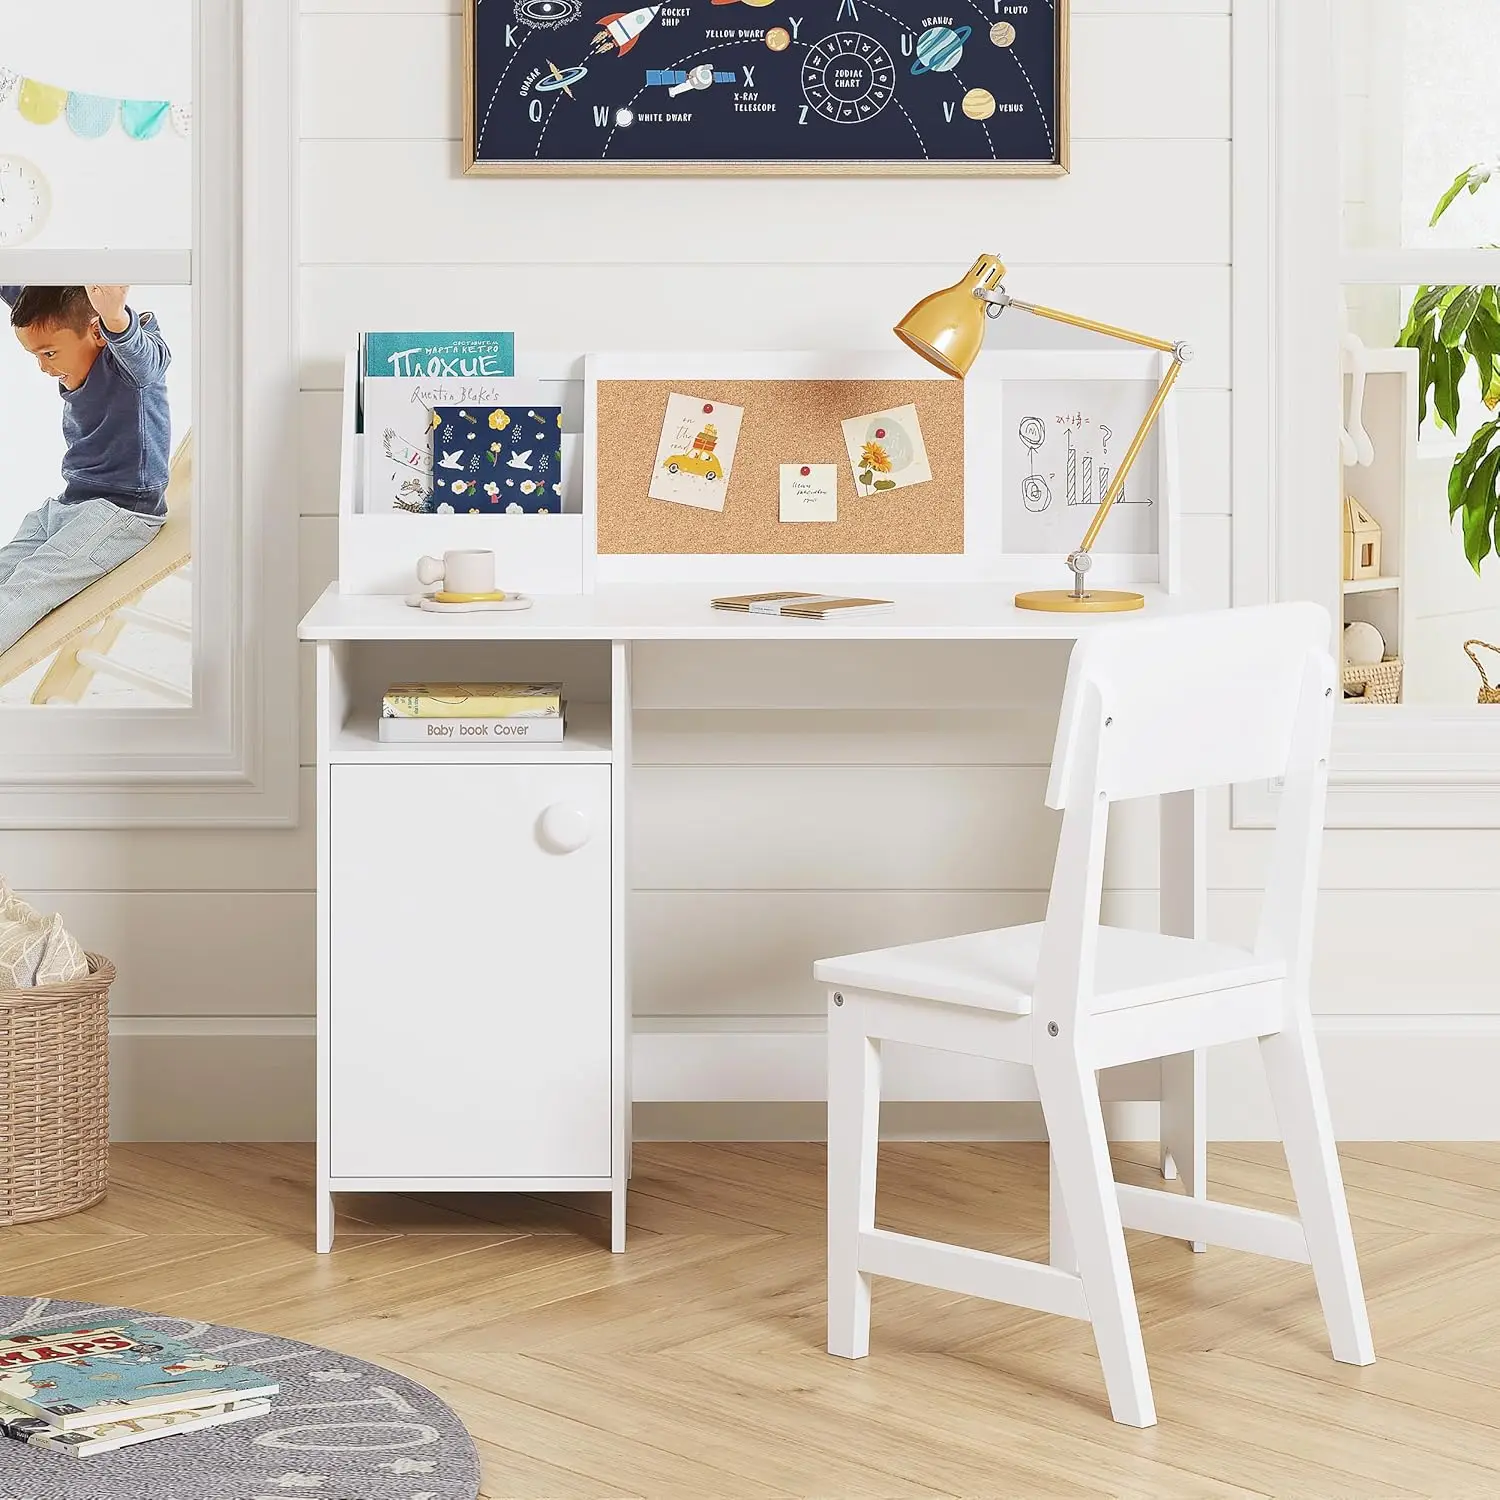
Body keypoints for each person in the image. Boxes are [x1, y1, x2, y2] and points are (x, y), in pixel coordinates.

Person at [0, 284, 171, 656]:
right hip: (69, 504)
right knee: (5, 569)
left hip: (122, 512)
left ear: (96, 332)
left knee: (30, 585)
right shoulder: (65, 318)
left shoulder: (130, 367)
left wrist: (115, 318)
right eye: (35, 355)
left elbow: (145, 358)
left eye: (49, 353)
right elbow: (25, 293)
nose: (44, 367)